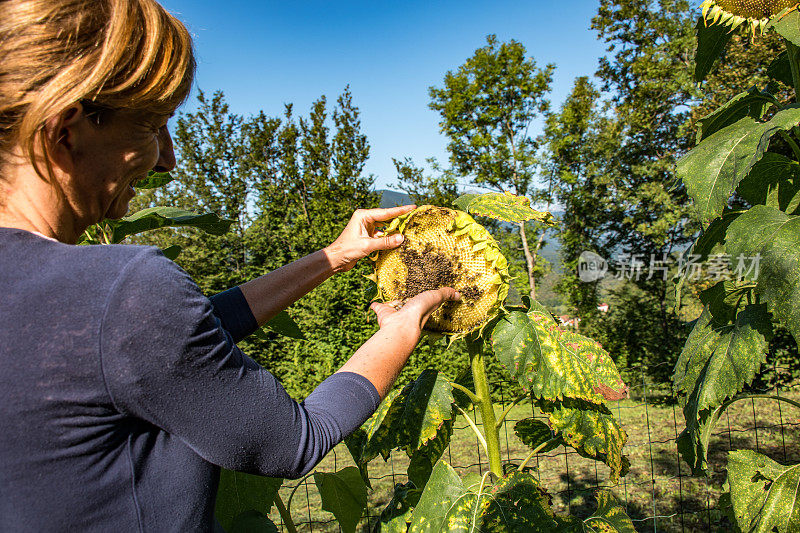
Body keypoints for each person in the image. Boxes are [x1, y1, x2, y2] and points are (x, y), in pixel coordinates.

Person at [0, 0, 459, 530]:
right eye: (153, 126)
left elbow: (163, 346)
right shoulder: (122, 293)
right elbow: (295, 442)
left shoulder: (71, 302)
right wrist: (402, 328)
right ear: (65, 129)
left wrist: (332, 259)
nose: (168, 159)